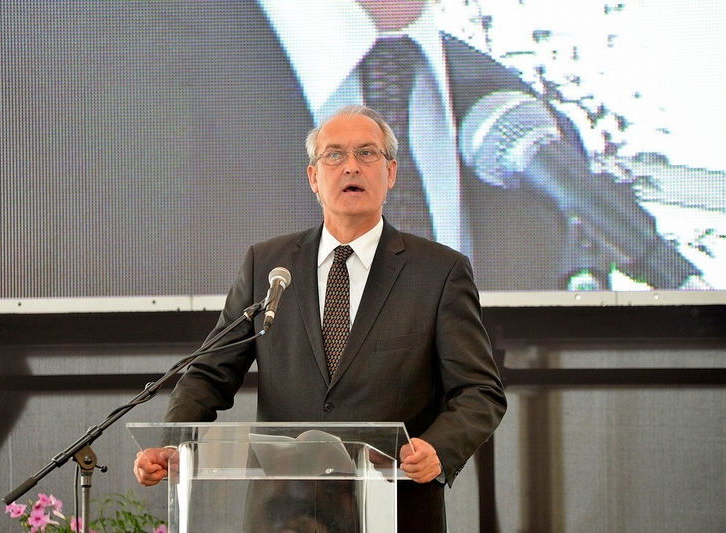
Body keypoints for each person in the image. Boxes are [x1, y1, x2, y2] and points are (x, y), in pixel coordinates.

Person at [133, 105, 507, 533]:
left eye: (367, 153)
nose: (351, 166)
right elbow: (209, 372)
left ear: (391, 172)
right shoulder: (268, 265)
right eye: (335, 155)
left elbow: (480, 391)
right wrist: (174, 443)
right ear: (313, 177)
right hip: (282, 514)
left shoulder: (439, 271)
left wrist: (437, 448)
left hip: (394, 509)